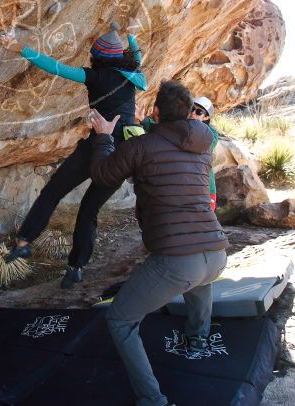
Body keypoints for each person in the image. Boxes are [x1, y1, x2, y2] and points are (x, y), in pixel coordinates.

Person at [89, 80, 229, 406]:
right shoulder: (202, 145)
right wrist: (145, 127)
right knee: (199, 281)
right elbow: (169, 140)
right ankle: (198, 340)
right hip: (216, 252)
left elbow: (103, 174)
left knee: (121, 320)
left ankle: (153, 400)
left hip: (178, 261)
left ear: (155, 111)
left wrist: (104, 138)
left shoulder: (142, 146)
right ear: (190, 112)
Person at [0, 21, 147, 288]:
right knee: (89, 209)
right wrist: (132, 36)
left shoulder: (94, 76)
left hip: (96, 145)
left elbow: (56, 67)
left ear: (96, 58)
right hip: (121, 153)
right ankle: (76, 267)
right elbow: (135, 58)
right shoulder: (134, 76)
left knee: (53, 191)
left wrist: (19, 48)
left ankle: (23, 242)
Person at [189, 96, 219, 211]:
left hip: (205, 188)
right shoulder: (182, 126)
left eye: (198, 112)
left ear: (206, 117)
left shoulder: (211, 134)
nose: (193, 114)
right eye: (191, 109)